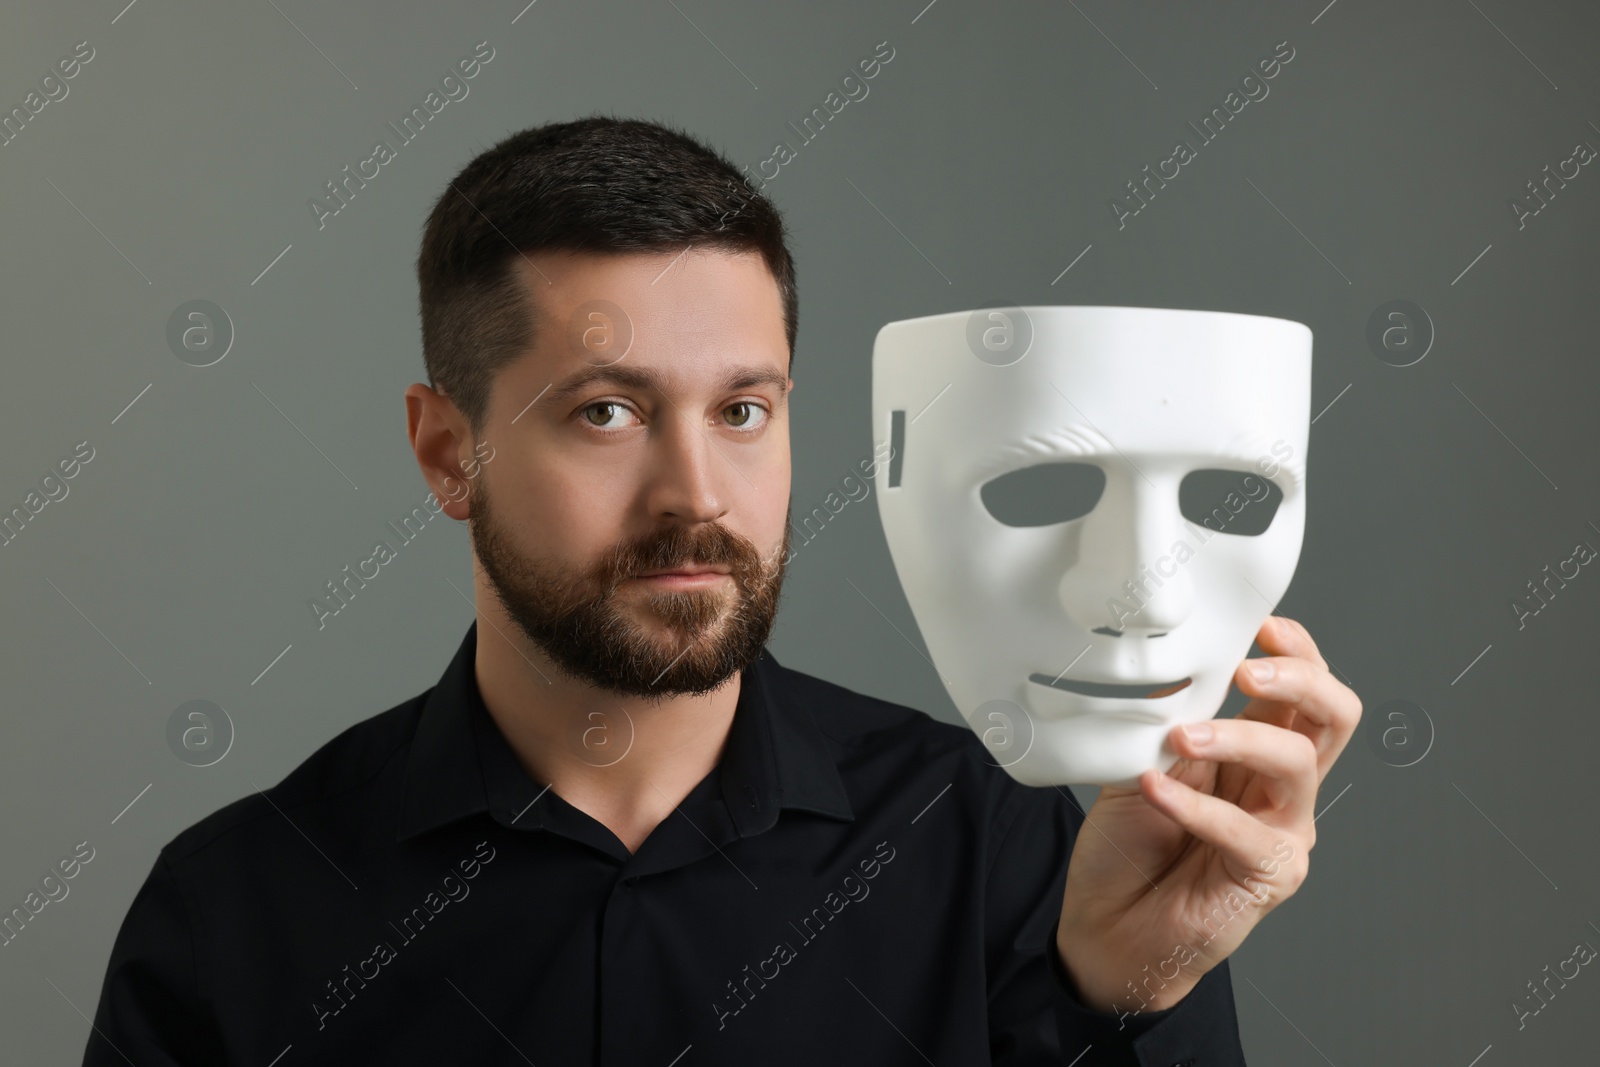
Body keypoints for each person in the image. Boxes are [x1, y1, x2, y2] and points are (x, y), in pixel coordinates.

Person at [82, 116, 1361, 1066]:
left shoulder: (996, 849)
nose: (696, 491)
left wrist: (1129, 1003)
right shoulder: (236, 910)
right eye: (606, 412)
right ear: (443, 452)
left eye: (743, 408)